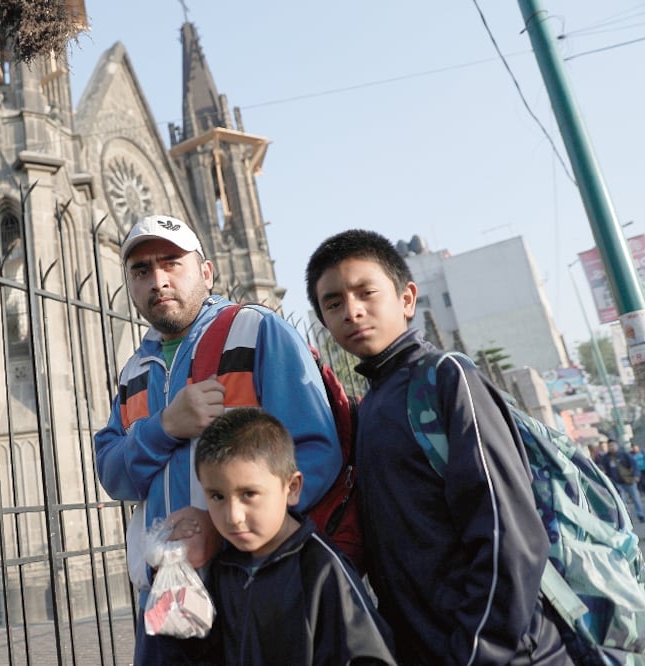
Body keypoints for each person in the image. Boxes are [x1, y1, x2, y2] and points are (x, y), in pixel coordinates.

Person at [305, 229, 569, 664]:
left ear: (406, 299)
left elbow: (509, 533)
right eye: (333, 303)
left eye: (366, 292)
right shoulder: (369, 407)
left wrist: (479, 650)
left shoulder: (446, 379)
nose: (352, 311)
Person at [94, 214, 341, 663]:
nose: (159, 280)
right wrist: (165, 426)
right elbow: (114, 475)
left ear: (206, 272)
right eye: (142, 271)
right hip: (167, 593)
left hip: (255, 585)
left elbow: (314, 455)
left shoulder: (255, 331)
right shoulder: (134, 371)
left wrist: (222, 522)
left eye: (172, 263)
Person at [195, 407, 397, 665]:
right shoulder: (223, 570)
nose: (233, 516)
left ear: (291, 488)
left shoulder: (322, 568)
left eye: (248, 494)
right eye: (217, 497)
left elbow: (369, 656)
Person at [602, 438, 645, 522]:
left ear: (617, 446)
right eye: (610, 446)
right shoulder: (606, 458)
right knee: (621, 501)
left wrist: (636, 475)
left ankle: (641, 515)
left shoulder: (624, 455)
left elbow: (634, 465)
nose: (612, 447)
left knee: (636, 499)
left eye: (613, 445)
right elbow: (605, 470)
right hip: (617, 483)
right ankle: (626, 518)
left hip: (629, 481)